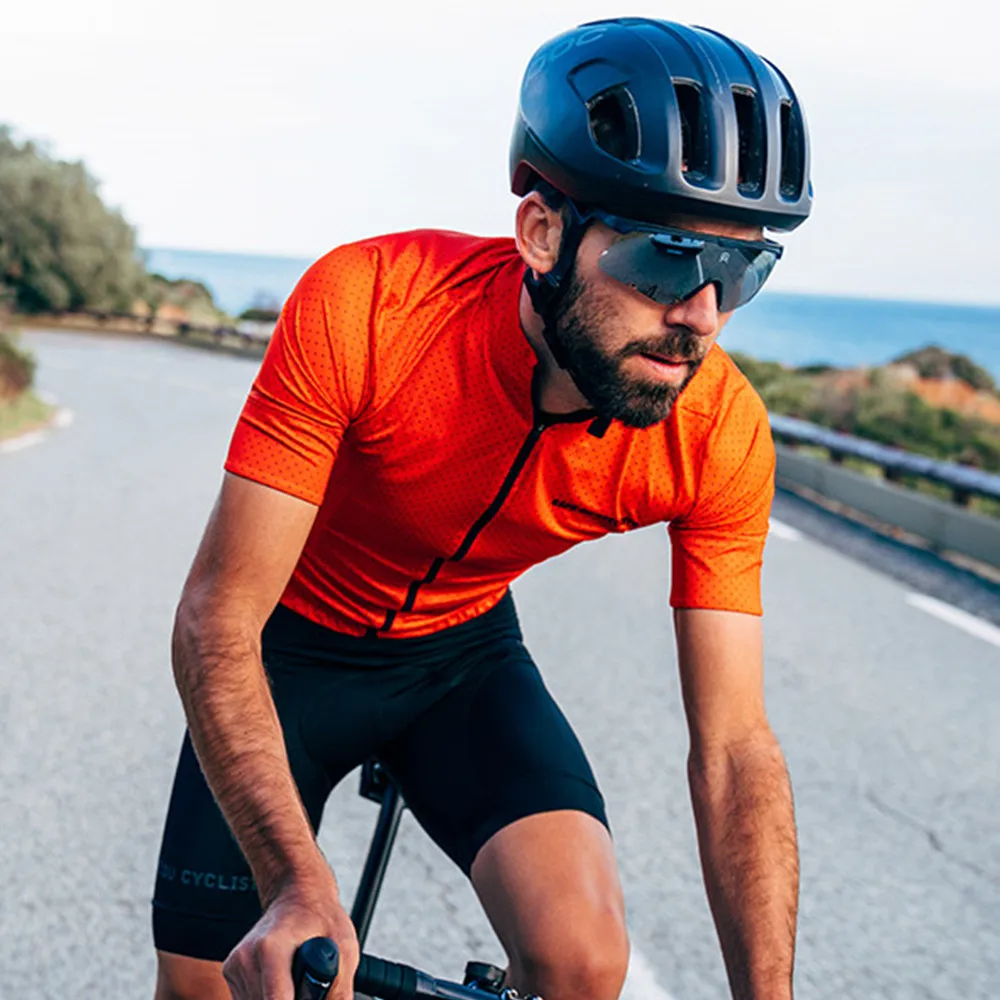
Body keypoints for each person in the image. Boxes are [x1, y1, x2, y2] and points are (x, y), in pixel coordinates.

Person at [152, 16, 812, 1000]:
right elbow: (216, 618)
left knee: (585, 964)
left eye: (739, 272)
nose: (700, 317)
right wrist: (294, 881)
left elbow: (734, 749)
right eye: (667, 261)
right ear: (543, 233)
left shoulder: (717, 432)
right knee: (216, 983)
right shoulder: (371, 306)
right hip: (288, 648)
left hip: (457, 658)